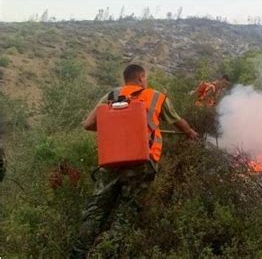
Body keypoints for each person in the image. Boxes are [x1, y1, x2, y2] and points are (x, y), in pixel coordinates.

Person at [70, 64, 198, 258]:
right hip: (142, 164)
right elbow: (178, 122)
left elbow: (88, 124)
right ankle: (106, 254)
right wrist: (190, 133)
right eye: (145, 78)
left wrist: (116, 126)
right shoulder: (156, 97)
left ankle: (77, 255)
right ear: (140, 77)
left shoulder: (111, 96)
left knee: (95, 212)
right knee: (125, 214)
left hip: (112, 161)